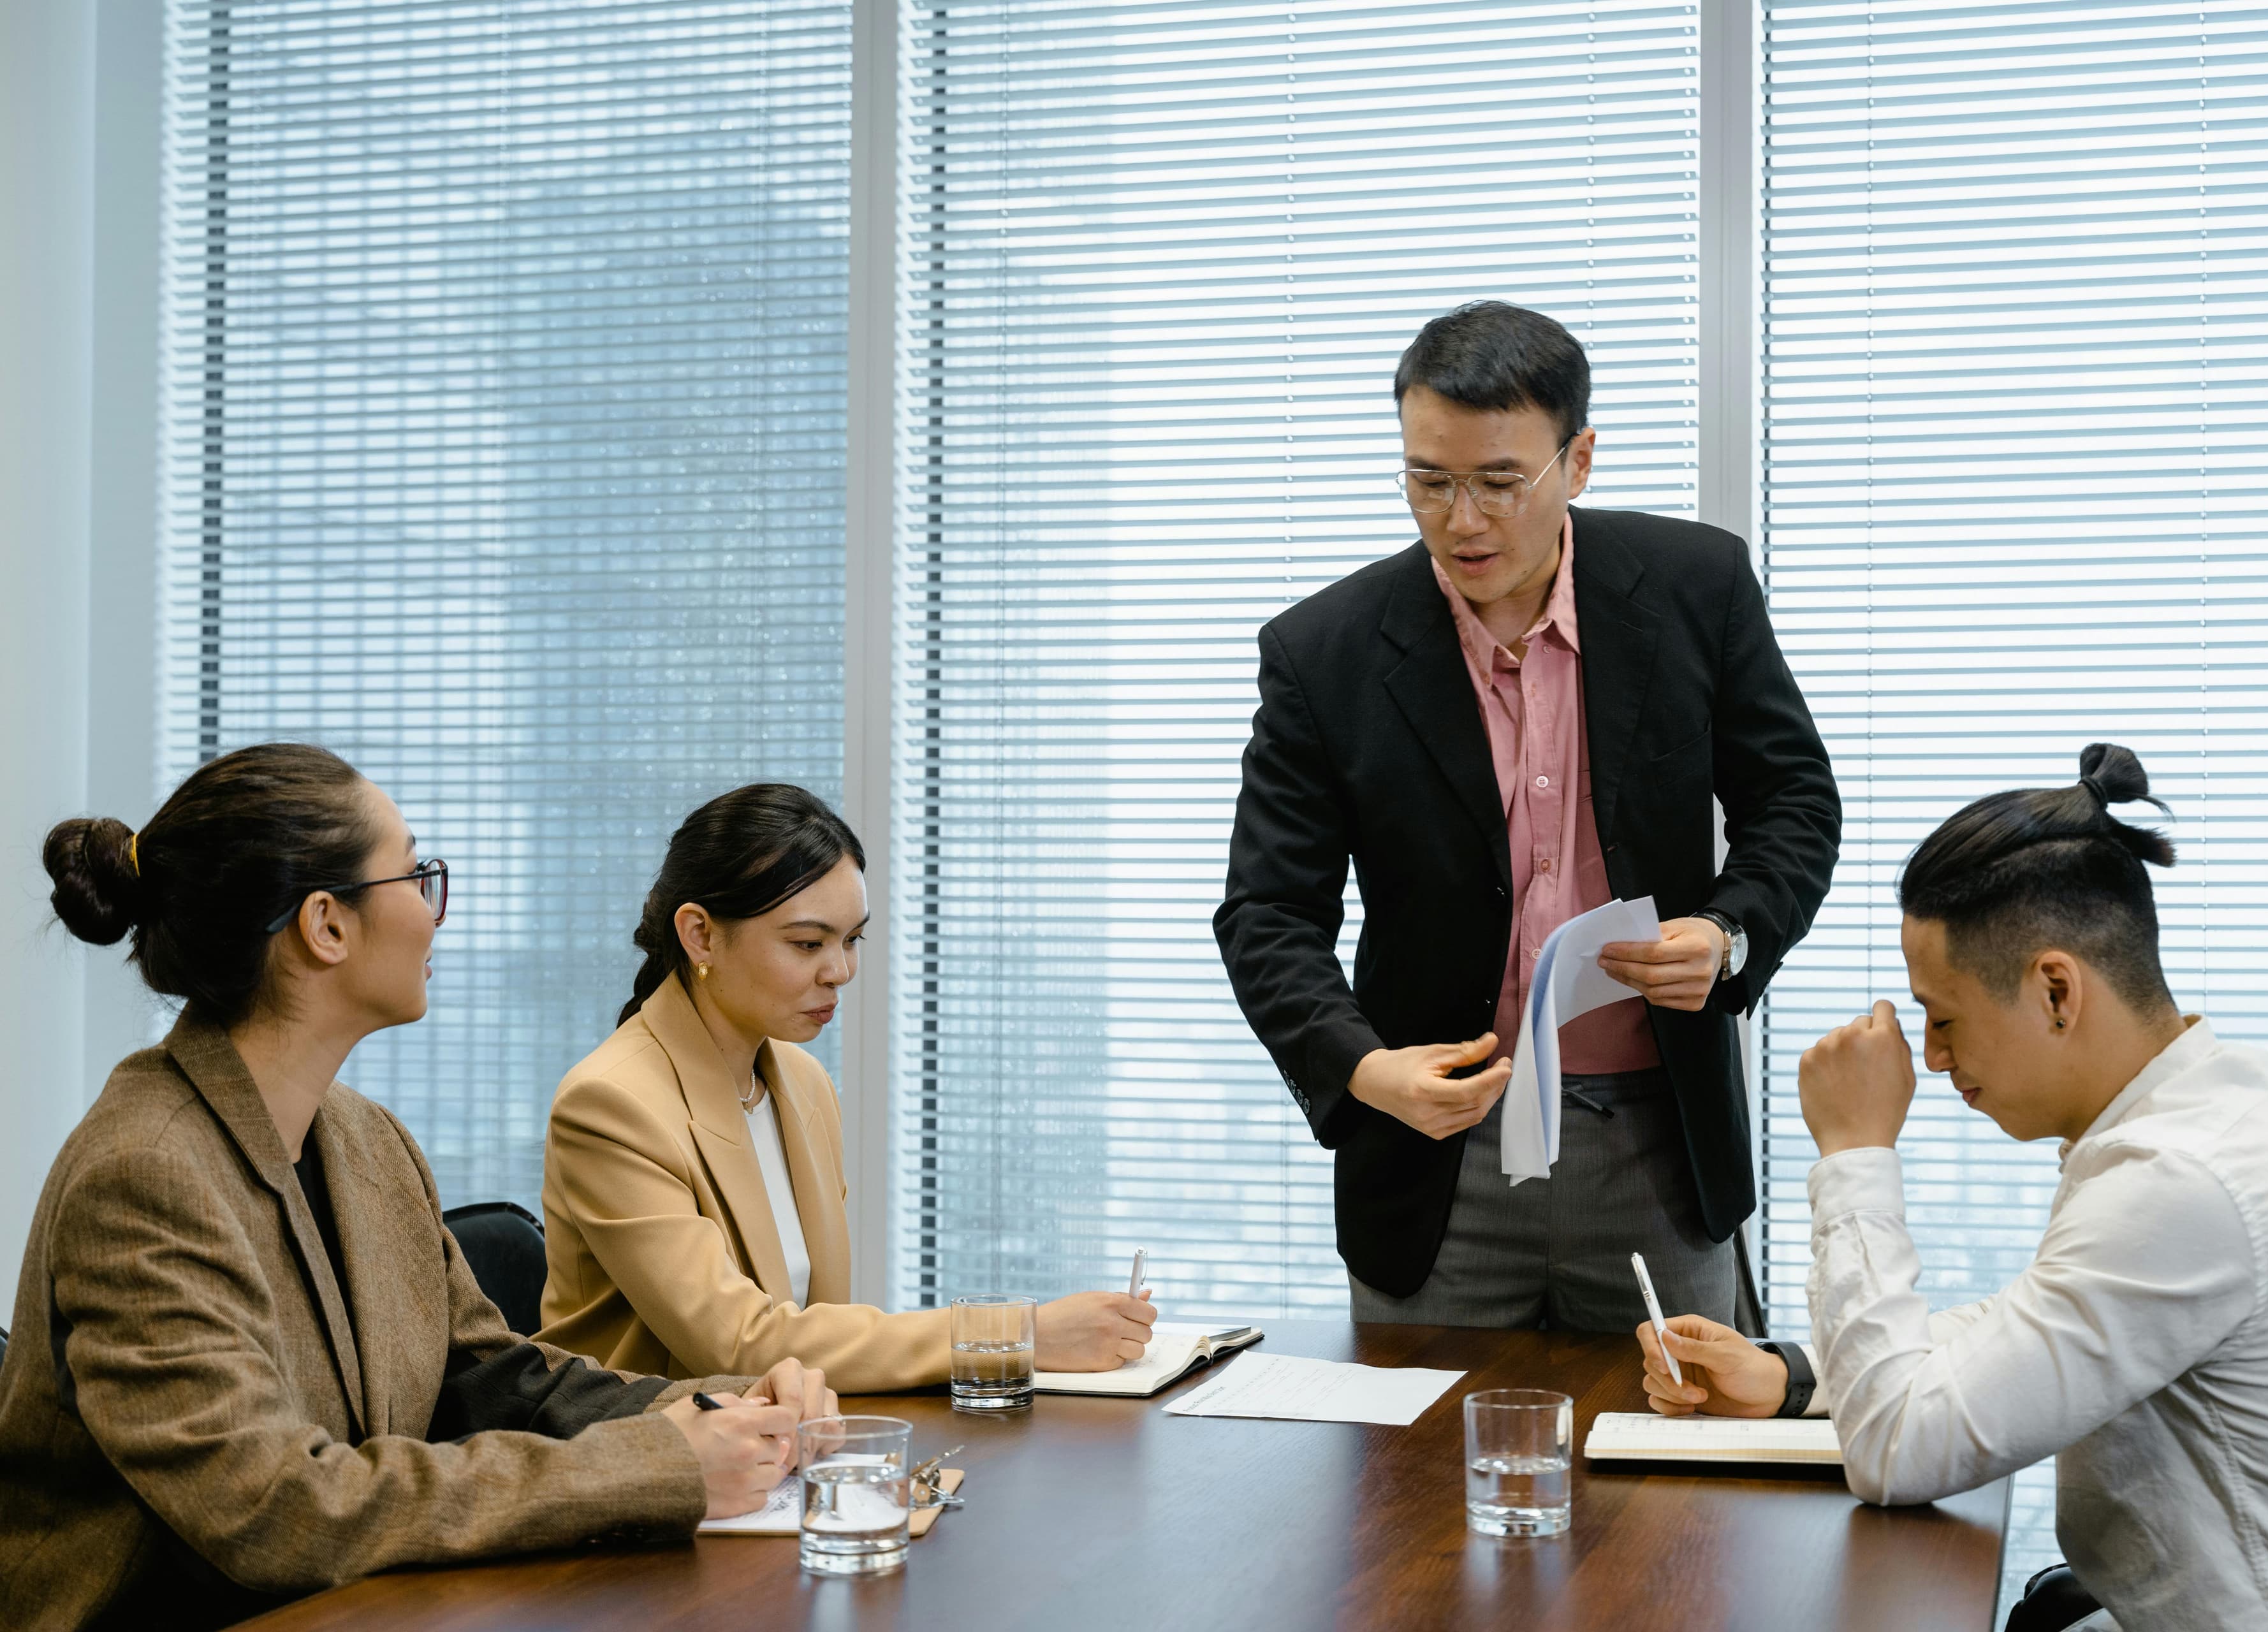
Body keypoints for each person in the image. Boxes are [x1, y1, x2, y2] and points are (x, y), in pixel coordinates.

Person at [0, 744, 833, 1632]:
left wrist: (714, 1410)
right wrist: (658, 1466)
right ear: (327, 926)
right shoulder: (145, 1175)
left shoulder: (367, 1140)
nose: (437, 915)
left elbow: (489, 1379)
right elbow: (281, 1513)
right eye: (417, 876)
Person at [1634, 744, 2268, 1632]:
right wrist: (1792, 1375)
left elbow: (1897, 1450)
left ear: (2057, 989)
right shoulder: (2200, 1119)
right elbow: (2034, 1325)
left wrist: (1855, 1154)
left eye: (1943, 1017)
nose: (1932, 1059)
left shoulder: (2185, 1183)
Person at [1214, 300, 1840, 1331]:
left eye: (1500, 481)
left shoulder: (1698, 587)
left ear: (1577, 462)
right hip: (1436, 1153)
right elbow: (1267, 914)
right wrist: (1365, 1069)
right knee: (1416, 1487)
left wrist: (1729, 935)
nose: (1462, 520)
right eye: (1429, 479)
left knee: (1676, 1475)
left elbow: (1795, 800)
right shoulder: (1323, 654)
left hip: (1658, 1142)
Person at [536, 783, 1157, 1390]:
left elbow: (816, 1329)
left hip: (783, 1448)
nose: (841, 971)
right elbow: (744, 1347)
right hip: (661, 1464)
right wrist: (1014, 1332)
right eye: (808, 943)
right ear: (700, 934)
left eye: (852, 938)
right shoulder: (611, 1104)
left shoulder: (801, 1082)